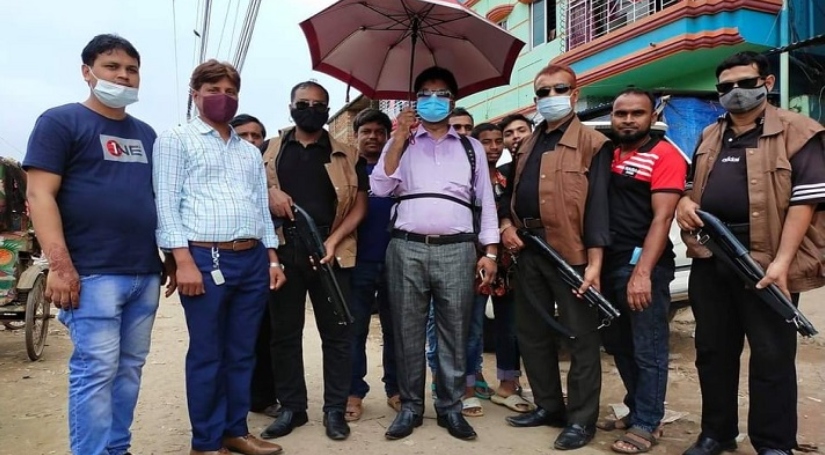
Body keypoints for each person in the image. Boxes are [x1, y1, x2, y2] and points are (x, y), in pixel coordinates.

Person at [24, 33, 170, 455]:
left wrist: (170, 258)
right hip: (91, 273)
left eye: (132, 69)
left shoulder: (146, 134)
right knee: (96, 371)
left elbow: (157, 199)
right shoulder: (61, 122)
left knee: (129, 369)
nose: (123, 76)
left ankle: (117, 449)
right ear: (87, 72)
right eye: (112, 67)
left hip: (144, 273)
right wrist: (60, 267)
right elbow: (39, 195)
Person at [676, 51, 825, 455]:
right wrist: (685, 201)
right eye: (726, 87)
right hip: (712, 255)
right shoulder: (709, 134)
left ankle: (773, 443)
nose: (736, 92)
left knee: (772, 355)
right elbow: (690, 184)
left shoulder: (799, 130)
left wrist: (782, 264)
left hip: (765, 260)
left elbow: (805, 202)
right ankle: (717, 433)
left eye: (746, 83)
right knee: (713, 352)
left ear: (767, 83)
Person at [154, 59, 286, 455]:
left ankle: (235, 430)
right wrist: (182, 260)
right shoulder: (176, 139)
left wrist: (272, 258)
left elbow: (260, 207)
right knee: (208, 353)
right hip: (204, 257)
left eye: (230, 91)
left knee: (242, 351)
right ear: (195, 94)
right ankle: (206, 442)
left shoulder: (248, 152)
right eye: (213, 90)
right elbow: (166, 204)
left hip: (252, 258)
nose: (223, 98)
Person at [371, 66, 499, 441]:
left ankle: (450, 407)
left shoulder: (471, 148)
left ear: (453, 101)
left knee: (455, 332)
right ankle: (410, 407)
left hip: (458, 249)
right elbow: (380, 188)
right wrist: (398, 138)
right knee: (406, 331)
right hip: (406, 247)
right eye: (425, 94)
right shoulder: (402, 143)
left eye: (441, 94)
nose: (433, 100)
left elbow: (486, 201)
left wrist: (490, 252)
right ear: (415, 101)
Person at [499, 63, 612, 450]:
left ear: (575, 94)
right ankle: (548, 406)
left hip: (571, 253)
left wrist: (595, 263)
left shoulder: (594, 143)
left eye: (558, 89)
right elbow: (509, 192)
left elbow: (598, 207)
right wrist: (506, 225)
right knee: (531, 333)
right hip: (528, 248)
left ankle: (581, 420)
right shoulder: (528, 142)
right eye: (542, 92)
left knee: (581, 337)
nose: (550, 97)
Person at [261, 81, 368, 442]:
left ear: (328, 109)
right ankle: (292, 408)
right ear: (290, 107)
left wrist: (333, 241)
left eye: (319, 104)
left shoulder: (348, 154)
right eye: (303, 103)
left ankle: (334, 409)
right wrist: (269, 192)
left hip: (330, 251)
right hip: (284, 249)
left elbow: (360, 206)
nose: (311, 109)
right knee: (284, 334)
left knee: (338, 335)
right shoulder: (268, 151)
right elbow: (251, 199)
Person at [598, 88, 687, 453]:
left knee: (648, 347)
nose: (628, 120)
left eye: (637, 113)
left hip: (643, 264)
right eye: (621, 113)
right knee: (619, 344)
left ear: (653, 116)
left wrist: (643, 273)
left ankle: (648, 423)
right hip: (610, 263)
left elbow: (662, 218)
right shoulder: (611, 154)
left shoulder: (664, 155)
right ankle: (637, 408)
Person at [471, 123, 530, 415]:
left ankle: (508, 384)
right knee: (472, 325)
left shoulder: (510, 175)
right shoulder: (467, 176)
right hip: (475, 259)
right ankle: (468, 384)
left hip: (509, 262)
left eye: (498, 141)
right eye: (486, 142)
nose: (493, 147)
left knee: (510, 324)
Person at [345, 108, 400, 421]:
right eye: (366, 131)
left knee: (397, 331)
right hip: (357, 263)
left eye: (380, 132)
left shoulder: (398, 168)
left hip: (397, 261)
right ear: (356, 136)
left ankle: (396, 390)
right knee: (355, 331)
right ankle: (353, 392)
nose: (373, 137)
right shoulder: (348, 172)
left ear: (388, 136)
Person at [229, 114, 279, 419]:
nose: (251, 141)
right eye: (243, 135)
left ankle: (262, 396)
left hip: (263, 260)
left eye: (256, 135)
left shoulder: (272, 171)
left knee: (263, 332)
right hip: (223, 260)